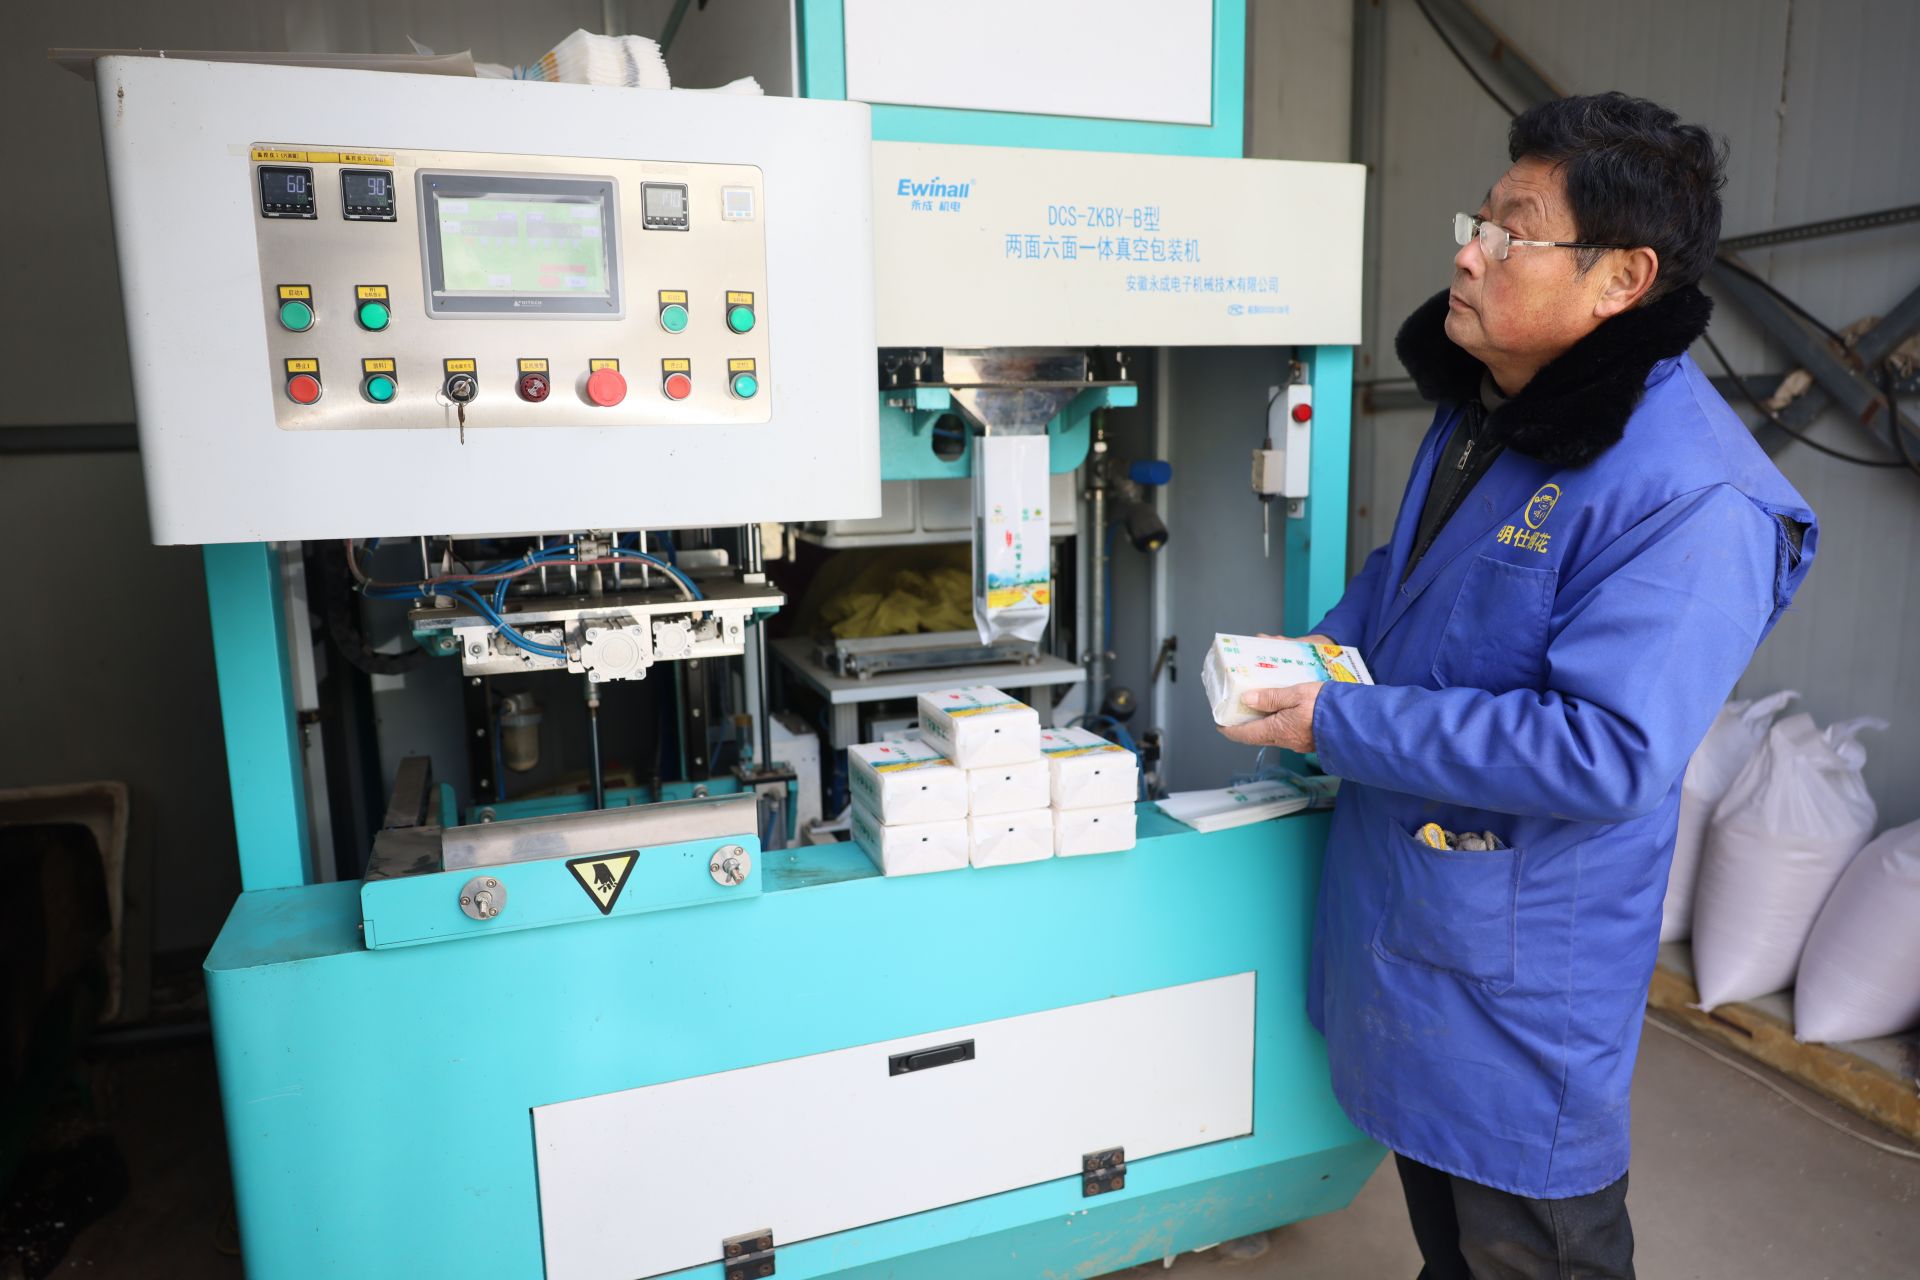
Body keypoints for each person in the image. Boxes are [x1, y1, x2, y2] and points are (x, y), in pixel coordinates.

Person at [1220, 92, 1817, 1279]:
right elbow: (1407, 583)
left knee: (1530, 1249)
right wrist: (1311, 661)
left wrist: (1340, 720)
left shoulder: (1697, 497)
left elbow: (1606, 749)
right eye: (1477, 221)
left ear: (1620, 280)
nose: (1469, 253)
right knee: (1451, 1248)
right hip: (1418, 921)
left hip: (1520, 967)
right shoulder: (1493, 406)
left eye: (1512, 234)